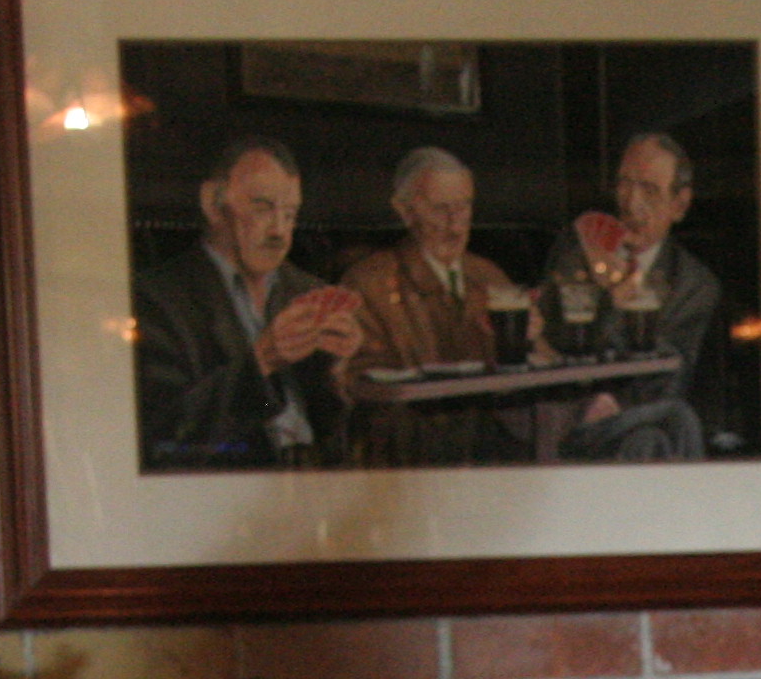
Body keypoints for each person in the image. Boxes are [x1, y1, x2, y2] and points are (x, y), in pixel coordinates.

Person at [132, 133, 366, 469]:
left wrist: (338, 372)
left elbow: (340, 436)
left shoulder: (307, 291)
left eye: (290, 214)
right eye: (263, 208)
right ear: (213, 204)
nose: (280, 232)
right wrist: (262, 361)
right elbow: (162, 438)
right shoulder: (157, 298)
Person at [541, 131, 722, 461]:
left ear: (679, 205)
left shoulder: (694, 284)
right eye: (625, 184)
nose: (631, 202)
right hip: (570, 416)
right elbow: (554, 340)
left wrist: (614, 301)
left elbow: (666, 380)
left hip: (639, 416)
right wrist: (606, 297)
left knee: (649, 440)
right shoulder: (576, 252)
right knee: (677, 421)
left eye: (649, 190)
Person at [342, 147, 523, 468]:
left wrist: (529, 341)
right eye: (440, 209)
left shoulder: (488, 277)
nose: (455, 223)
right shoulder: (368, 285)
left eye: (464, 207)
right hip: (411, 463)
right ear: (405, 212)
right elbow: (360, 391)